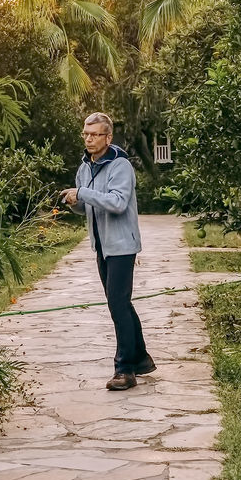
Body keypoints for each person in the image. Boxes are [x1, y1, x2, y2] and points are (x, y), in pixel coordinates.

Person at [60, 112, 156, 390]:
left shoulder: (120, 165)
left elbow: (117, 203)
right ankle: (140, 359)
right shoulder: (85, 166)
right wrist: (73, 201)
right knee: (121, 303)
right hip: (101, 246)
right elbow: (86, 206)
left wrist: (83, 193)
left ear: (108, 137)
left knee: (117, 304)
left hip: (122, 246)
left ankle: (124, 370)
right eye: (86, 134)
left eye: (95, 134)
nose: (89, 139)